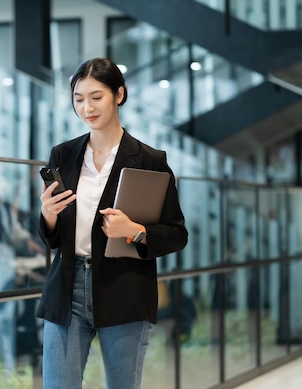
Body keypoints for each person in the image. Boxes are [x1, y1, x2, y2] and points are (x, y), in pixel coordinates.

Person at [37, 57, 188, 389]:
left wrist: (135, 232)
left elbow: (177, 234)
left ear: (119, 94)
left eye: (96, 96)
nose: (86, 107)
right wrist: (47, 214)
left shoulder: (150, 160)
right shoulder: (62, 155)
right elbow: (52, 237)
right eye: (78, 99)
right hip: (67, 285)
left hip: (124, 287)